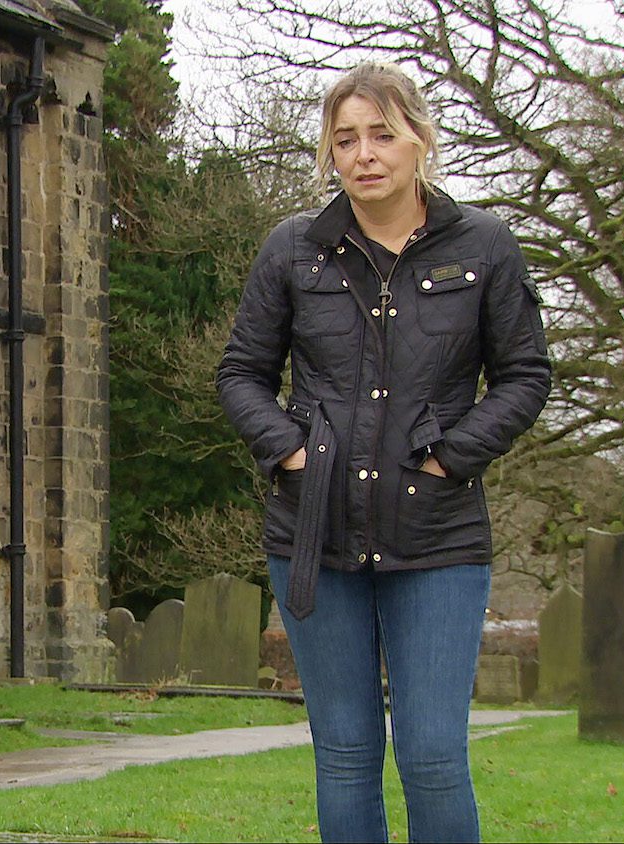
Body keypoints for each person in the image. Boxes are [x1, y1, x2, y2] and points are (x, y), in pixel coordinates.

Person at [216, 63, 551, 843]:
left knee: (433, 755)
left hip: (438, 539)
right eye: (345, 140)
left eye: (381, 134)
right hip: (314, 535)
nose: (364, 154)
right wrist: (293, 455)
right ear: (330, 155)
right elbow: (241, 373)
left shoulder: (485, 246)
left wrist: (450, 457)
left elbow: (525, 376)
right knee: (344, 755)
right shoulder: (294, 250)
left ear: (419, 141)